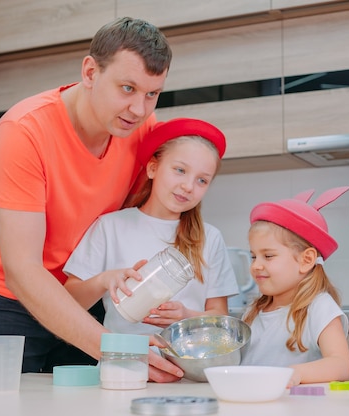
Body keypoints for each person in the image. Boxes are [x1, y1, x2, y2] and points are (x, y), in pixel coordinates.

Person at [0, 17, 183, 382]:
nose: (139, 109)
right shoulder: (24, 132)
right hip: (8, 298)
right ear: (90, 72)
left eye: (152, 93)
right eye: (127, 88)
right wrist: (118, 350)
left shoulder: (137, 126)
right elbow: (23, 270)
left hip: (80, 294)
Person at [63, 118, 239, 334]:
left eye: (202, 180)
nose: (188, 186)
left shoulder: (210, 238)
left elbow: (220, 317)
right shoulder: (110, 227)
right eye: (180, 170)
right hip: (124, 361)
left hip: (184, 365)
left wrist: (187, 316)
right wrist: (104, 280)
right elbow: (68, 302)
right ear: (153, 168)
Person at [240, 187, 349, 386]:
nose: (256, 265)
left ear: (306, 260)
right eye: (253, 256)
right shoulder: (253, 311)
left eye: (268, 256)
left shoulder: (319, 308)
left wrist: (294, 373)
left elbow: (341, 365)